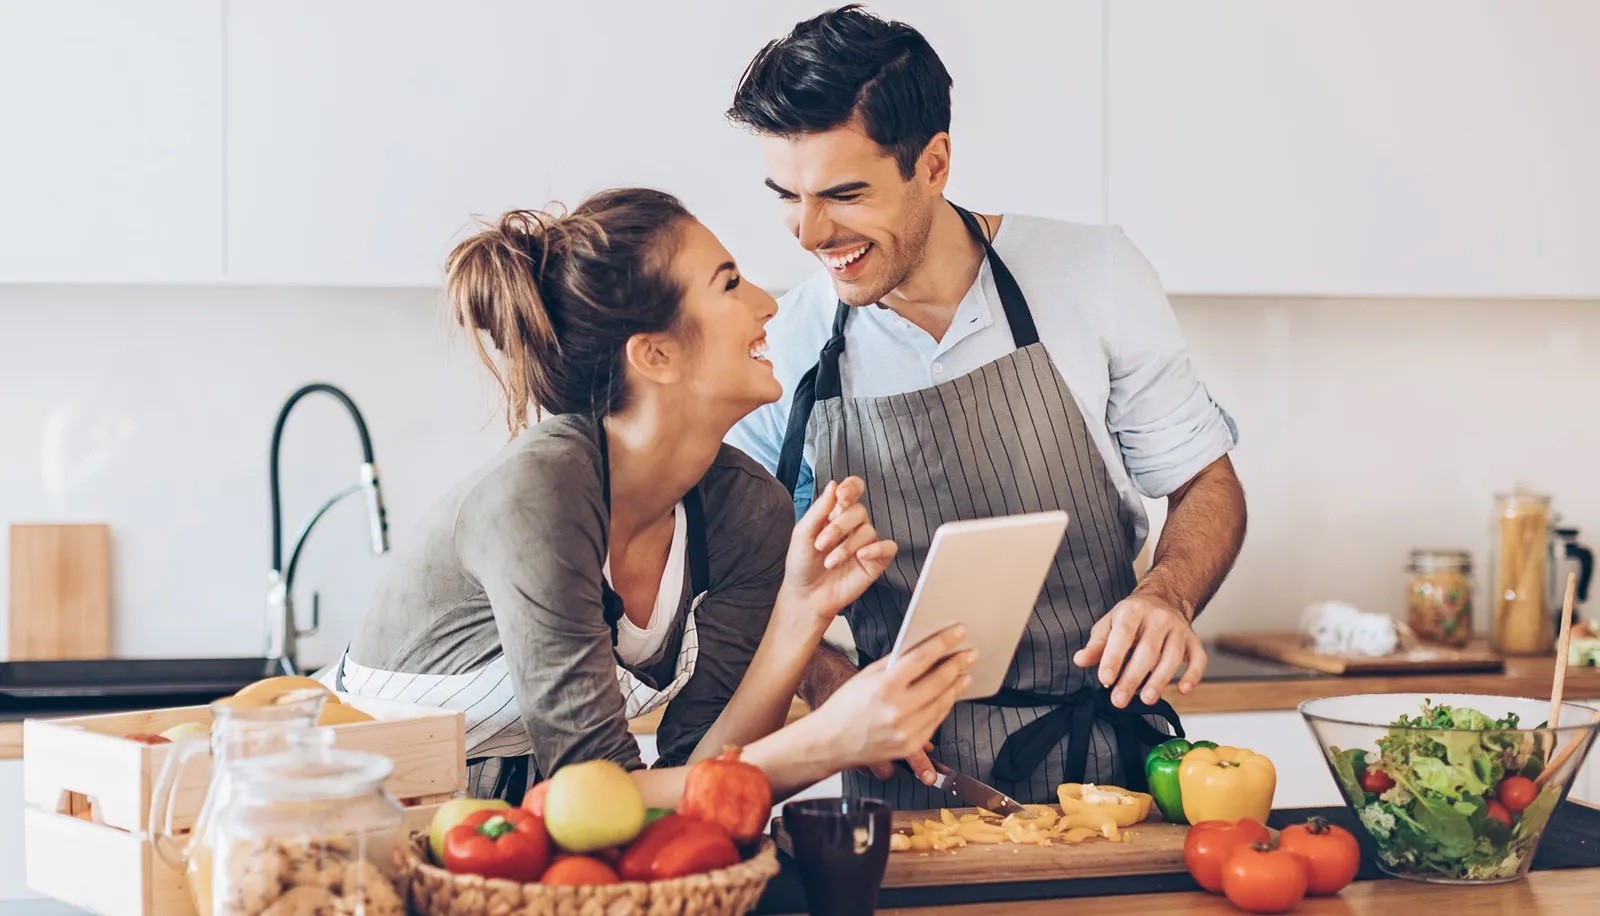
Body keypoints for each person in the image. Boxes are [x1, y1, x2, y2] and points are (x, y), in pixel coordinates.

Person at [724, 6, 1248, 807]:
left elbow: (1204, 483)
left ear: (933, 164)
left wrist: (1166, 593)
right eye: (786, 197)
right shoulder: (789, 339)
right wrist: (830, 682)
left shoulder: (1090, 272)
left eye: (844, 193)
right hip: (900, 785)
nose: (808, 232)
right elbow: (738, 564)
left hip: (1107, 770)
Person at [323, 187, 972, 807]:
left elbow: (699, 778)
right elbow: (598, 792)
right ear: (655, 354)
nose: (766, 305)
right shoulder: (539, 494)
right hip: (350, 807)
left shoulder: (749, 511)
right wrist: (828, 742)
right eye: (728, 283)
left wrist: (801, 610)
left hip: (533, 836)